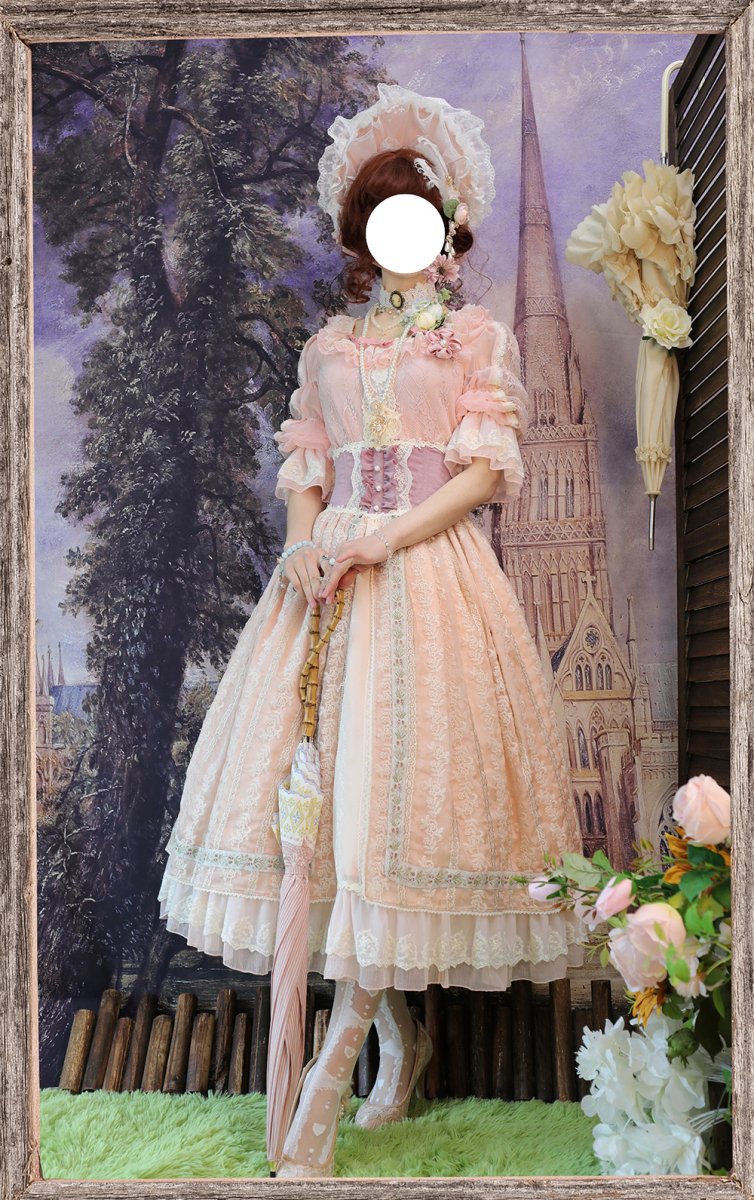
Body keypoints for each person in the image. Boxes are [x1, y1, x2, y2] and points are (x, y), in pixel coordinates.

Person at [158, 84, 586, 1178]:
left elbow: (483, 475)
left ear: (446, 229)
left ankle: (333, 1064)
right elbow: (308, 471)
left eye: (417, 216)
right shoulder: (328, 348)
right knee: (323, 825)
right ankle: (400, 1036)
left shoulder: (475, 338)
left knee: (394, 816)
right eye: (378, 218)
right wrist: (305, 546)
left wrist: (383, 539)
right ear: (360, 237)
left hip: (428, 576)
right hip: (324, 589)